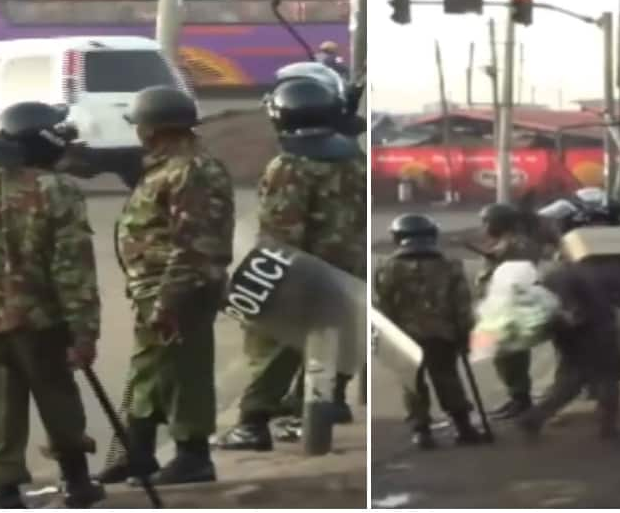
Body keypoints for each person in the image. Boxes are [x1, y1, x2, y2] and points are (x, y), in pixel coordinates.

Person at [216, 73, 366, 452]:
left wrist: (261, 284)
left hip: (298, 272)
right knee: (333, 341)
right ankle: (315, 410)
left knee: (272, 345)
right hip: (346, 271)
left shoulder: (289, 165)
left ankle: (252, 423)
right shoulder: (354, 159)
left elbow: (281, 234)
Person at [98, 86, 234, 485]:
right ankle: (138, 454)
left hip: (180, 290)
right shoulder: (167, 167)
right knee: (149, 371)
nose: (136, 132)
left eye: (140, 125)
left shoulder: (190, 171)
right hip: (155, 290)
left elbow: (193, 244)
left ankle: (193, 457)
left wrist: (169, 301)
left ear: (153, 129)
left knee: (183, 374)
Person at [0, 102, 105, 509]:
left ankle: (4, 490)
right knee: (57, 396)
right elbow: (72, 267)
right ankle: (76, 481)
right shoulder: (56, 190)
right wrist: (83, 331)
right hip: (40, 319)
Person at [374, 214, 484, 449]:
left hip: (404, 335)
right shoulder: (450, 266)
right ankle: (463, 427)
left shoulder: (388, 268)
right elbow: (462, 305)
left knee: (412, 383)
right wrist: (465, 333)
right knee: (447, 379)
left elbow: (383, 307)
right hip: (442, 335)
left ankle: (421, 431)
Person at [517, 249, 620, 440]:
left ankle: (535, 417)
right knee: (608, 378)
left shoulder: (558, 273)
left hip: (566, 333)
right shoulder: (609, 270)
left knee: (571, 379)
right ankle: (608, 428)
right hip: (599, 330)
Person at [476, 203, 543, 420]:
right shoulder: (506, 244)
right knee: (504, 357)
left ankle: (521, 399)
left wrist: (496, 256)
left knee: (512, 355)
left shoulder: (518, 244)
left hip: (513, 307)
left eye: (486, 222)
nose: (484, 227)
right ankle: (516, 396)